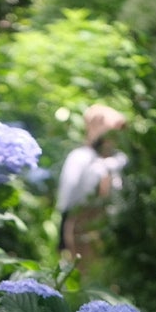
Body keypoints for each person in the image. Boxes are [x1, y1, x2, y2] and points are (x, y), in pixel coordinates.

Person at [56, 103, 128, 258]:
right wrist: (63, 234)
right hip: (83, 223)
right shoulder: (80, 158)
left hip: (111, 226)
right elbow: (68, 196)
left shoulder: (120, 159)